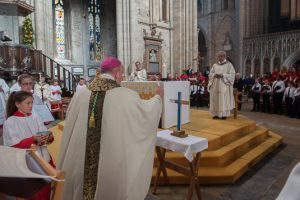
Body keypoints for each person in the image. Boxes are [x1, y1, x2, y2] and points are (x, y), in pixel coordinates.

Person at [57, 56, 163, 200]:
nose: (122, 77)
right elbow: (145, 115)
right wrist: (157, 98)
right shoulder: (126, 96)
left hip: (79, 163)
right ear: (117, 72)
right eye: (122, 74)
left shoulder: (80, 94)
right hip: (111, 167)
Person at [3, 91, 54, 200]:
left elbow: (44, 133)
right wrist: (33, 139)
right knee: (35, 195)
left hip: (42, 160)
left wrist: (48, 137)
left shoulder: (35, 117)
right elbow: (13, 146)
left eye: (32, 103)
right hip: (27, 164)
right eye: (28, 103)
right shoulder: (11, 122)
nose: (31, 106)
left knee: (46, 192)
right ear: (17, 104)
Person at [208, 51, 235, 119]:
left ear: (224, 56)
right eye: (219, 56)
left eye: (221, 56)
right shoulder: (215, 65)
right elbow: (210, 74)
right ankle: (216, 114)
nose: (220, 57)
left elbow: (232, 75)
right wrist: (214, 75)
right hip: (216, 85)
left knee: (223, 99)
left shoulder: (229, 65)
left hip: (224, 85)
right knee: (216, 99)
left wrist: (223, 75)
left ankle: (223, 115)